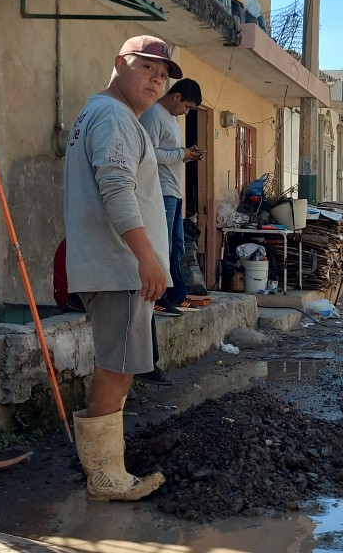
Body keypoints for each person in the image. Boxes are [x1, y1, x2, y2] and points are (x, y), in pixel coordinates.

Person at [63, 34, 182, 500]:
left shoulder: (105, 114)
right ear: (119, 63)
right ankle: (106, 478)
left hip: (116, 267)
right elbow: (116, 189)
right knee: (117, 367)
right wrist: (147, 258)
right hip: (120, 269)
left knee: (120, 364)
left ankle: (107, 469)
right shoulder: (113, 116)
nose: (156, 78)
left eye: (163, 73)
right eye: (147, 66)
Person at [52, 238, 172, 386]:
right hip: (72, 295)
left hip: (91, 288)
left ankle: (145, 365)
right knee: (121, 307)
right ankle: (123, 376)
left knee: (139, 300)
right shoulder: (82, 240)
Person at [139, 78, 204, 316]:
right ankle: (159, 297)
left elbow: (172, 154)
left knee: (176, 246)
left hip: (174, 192)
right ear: (176, 97)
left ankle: (176, 294)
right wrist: (181, 153)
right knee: (161, 247)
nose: (186, 112)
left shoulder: (173, 119)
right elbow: (149, 154)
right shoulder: (153, 114)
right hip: (160, 191)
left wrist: (188, 155)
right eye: (186, 107)